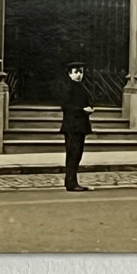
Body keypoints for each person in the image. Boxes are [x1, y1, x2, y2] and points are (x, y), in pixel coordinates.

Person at [58, 61, 94, 191]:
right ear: (69, 74)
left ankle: (72, 181)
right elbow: (66, 106)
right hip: (72, 126)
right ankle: (71, 183)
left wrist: (89, 108)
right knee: (73, 154)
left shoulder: (81, 87)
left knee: (77, 154)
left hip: (80, 125)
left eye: (81, 72)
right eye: (76, 72)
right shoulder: (68, 87)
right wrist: (82, 110)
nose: (79, 75)